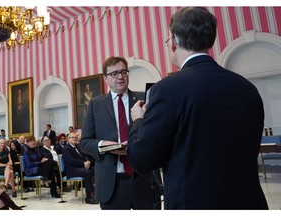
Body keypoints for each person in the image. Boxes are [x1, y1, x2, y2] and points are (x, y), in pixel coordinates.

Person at [127, 7, 268, 210]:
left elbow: (141, 159)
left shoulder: (167, 90)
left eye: (168, 41)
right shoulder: (246, 88)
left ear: (174, 42)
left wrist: (139, 120)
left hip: (195, 203)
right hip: (249, 203)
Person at [79, 56, 159, 210]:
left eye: (123, 72)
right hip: (112, 183)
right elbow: (84, 142)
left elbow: (156, 134)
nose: (120, 77)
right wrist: (103, 145)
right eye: (114, 74)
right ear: (105, 78)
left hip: (142, 180)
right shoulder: (96, 104)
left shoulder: (144, 99)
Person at [63, 132, 98, 204]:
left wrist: (87, 161)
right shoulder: (66, 148)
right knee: (88, 173)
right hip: (72, 170)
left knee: (96, 170)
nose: (75, 139)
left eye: (76, 137)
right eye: (73, 137)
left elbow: (85, 155)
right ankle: (89, 197)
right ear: (68, 139)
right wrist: (83, 163)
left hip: (81, 167)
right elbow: (71, 161)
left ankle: (96, 193)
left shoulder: (78, 146)